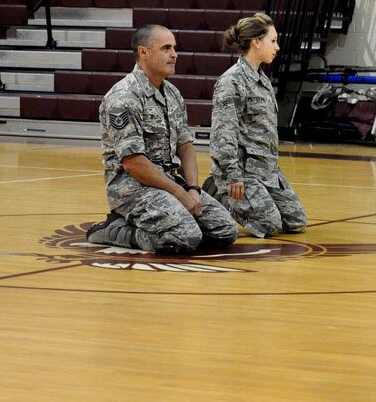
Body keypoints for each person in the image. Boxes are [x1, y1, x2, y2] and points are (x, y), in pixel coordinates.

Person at [86, 25, 239, 253]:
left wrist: (193, 189)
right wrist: (181, 195)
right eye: (166, 48)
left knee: (225, 231)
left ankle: (166, 221)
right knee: (184, 237)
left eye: (174, 48)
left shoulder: (172, 93)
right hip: (132, 190)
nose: (174, 54)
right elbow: (133, 163)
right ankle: (115, 229)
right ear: (143, 53)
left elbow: (185, 147)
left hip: (168, 183)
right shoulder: (123, 98)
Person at [208, 13, 307, 237]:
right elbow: (224, 134)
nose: (277, 47)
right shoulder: (231, 81)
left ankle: (252, 195)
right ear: (256, 42)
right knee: (269, 225)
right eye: (273, 41)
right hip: (242, 172)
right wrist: (232, 175)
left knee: (296, 221)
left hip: (267, 171)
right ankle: (217, 192)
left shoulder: (262, 79)